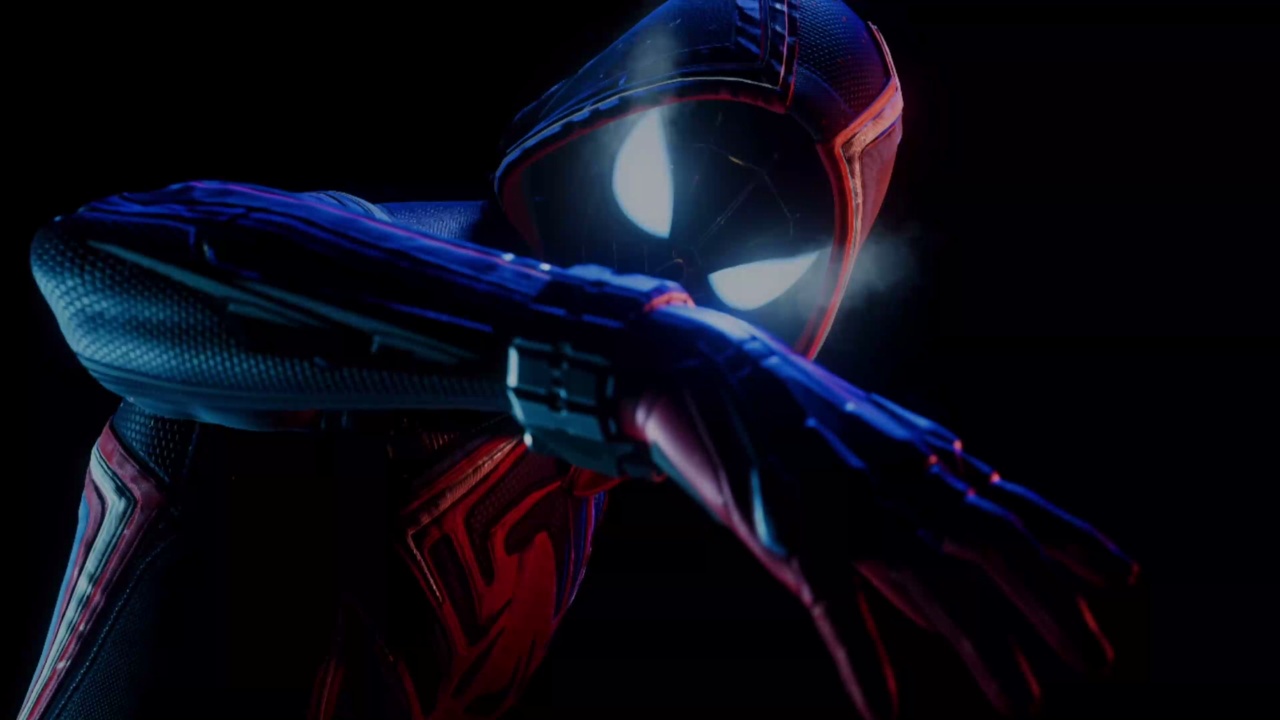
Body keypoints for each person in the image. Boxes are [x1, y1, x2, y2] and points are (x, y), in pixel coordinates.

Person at [20, 1, 1137, 718]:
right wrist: (635, 346)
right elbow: (96, 259)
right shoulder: (364, 274)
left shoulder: (564, 485)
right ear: (583, 129)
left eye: (750, 263)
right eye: (669, 181)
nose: (680, 262)